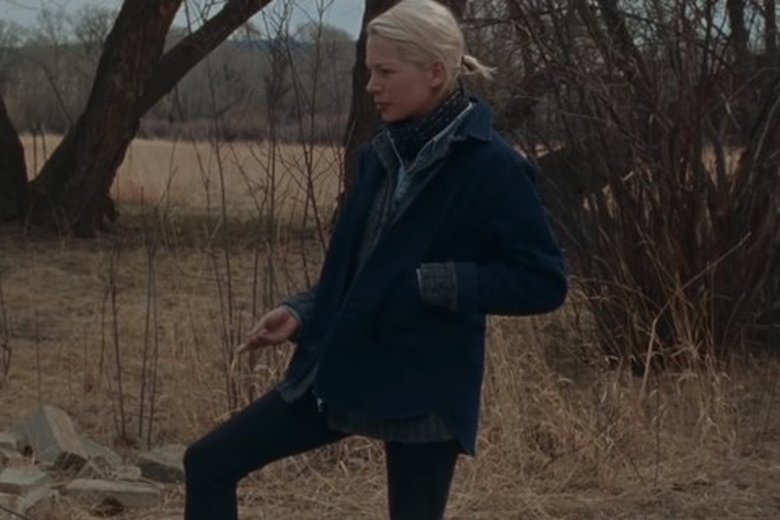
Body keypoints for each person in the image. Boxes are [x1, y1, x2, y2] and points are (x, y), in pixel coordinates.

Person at [183, 0, 567, 518]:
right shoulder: (380, 155)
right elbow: (360, 265)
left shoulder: (493, 167)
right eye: (370, 72)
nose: (371, 86)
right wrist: (303, 310)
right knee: (208, 462)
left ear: (435, 73)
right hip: (344, 362)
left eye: (385, 72)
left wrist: (435, 283)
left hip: (425, 383)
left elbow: (543, 281)